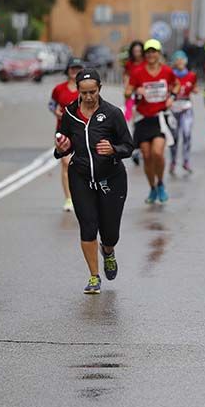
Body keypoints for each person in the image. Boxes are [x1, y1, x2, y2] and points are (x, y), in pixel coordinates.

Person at [54, 68, 135, 294]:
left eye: (93, 92)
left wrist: (114, 149)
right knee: (88, 226)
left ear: (100, 89)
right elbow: (63, 143)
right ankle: (93, 276)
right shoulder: (70, 114)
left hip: (112, 179)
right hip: (80, 177)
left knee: (110, 233)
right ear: (78, 91)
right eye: (84, 92)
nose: (89, 97)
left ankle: (108, 251)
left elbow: (128, 146)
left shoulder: (112, 114)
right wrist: (62, 149)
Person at [126, 39, 178, 204]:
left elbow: (176, 85)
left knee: (157, 153)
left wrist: (172, 98)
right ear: (145, 54)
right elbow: (127, 92)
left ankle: (161, 183)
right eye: (148, 52)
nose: (151, 54)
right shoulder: (138, 72)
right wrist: (135, 90)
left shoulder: (167, 71)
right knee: (147, 156)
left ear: (158, 53)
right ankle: (152, 188)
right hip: (142, 119)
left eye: (154, 51)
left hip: (159, 118)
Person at [50, 58, 84, 212]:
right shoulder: (59, 89)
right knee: (66, 163)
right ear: (68, 70)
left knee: (82, 164)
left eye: (78, 68)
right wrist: (56, 112)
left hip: (82, 130)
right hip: (63, 131)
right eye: (72, 68)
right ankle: (69, 198)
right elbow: (51, 104)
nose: (75, 71)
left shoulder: (85, 88)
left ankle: (83, 195)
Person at [169, 51, 197, 175]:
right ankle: (173, 161)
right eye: (177, 59)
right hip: (173, 109)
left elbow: (194, 88)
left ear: (185, 61)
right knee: (174, 137)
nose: (180, 62)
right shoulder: (170, 75)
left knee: (186, 134)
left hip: (186, 108)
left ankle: (186, 161)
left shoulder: (191, 75)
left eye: (182, 59)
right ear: (174, 62)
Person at [123, 41, 147, 165]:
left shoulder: (146, 63)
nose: (137, 53)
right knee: (133, 120)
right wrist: (127, 90)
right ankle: (136, 147)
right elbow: (126, 78)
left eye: (139, 51)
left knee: (143, 120)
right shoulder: (129, 64)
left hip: (144, 96)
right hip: (132, 94)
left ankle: (140, 148)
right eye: (135, 51)